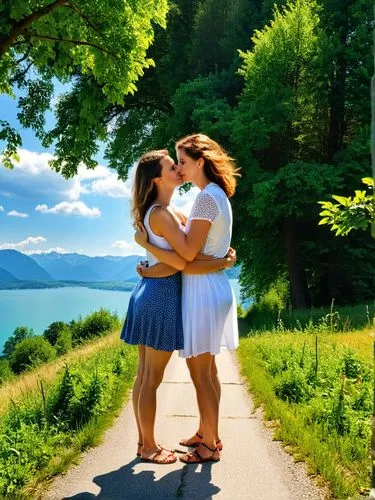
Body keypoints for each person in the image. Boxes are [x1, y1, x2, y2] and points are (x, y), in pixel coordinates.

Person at [121, 149, 235, 464]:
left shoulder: (165, 211)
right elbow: (179, 263)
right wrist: (219, 262)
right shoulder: (162, 214)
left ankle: (144, 442)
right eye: (172, 166)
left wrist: (147, 256)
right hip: (160, 296)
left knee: (144, 375)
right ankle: (149, 447)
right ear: (158, 178)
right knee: (151, 378)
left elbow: (169, 257)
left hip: (152, 292)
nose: (178, 169)